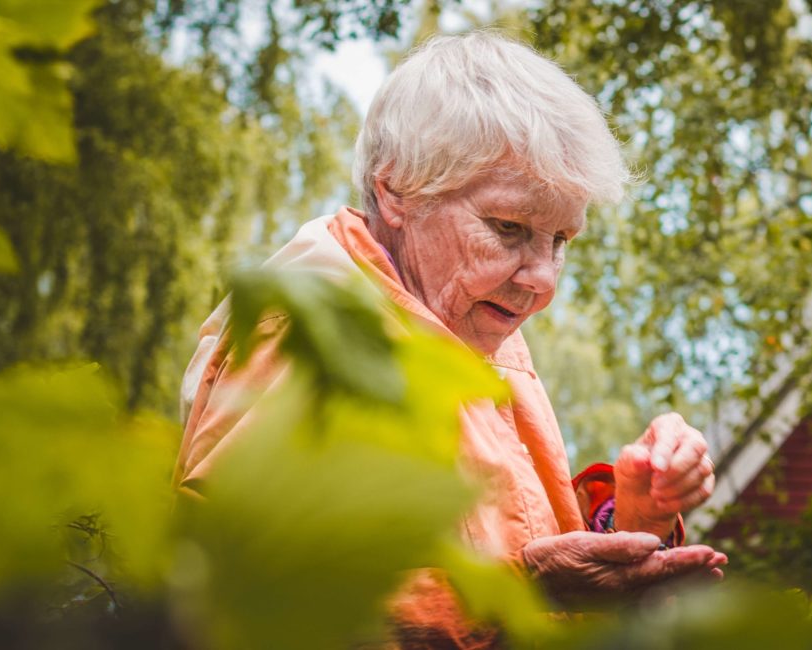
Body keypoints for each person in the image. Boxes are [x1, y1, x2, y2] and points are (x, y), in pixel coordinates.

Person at [173, 31, 726, 647]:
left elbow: (502, 533)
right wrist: (517, 590)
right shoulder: (315, 337)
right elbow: (232, 602)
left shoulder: (467, 316)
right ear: (397, 190)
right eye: (509, 227)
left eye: (561, 241)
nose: (542, 280)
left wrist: (631, 513)